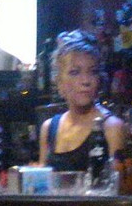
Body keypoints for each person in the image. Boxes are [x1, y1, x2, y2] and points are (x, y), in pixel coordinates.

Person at [39, 29, 125, 171]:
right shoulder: (48, 128)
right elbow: (41, 181)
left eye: (93, 72)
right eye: (75, 72)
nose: (85, 81)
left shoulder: (111, 127)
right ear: (59, 81)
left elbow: (116, 182)